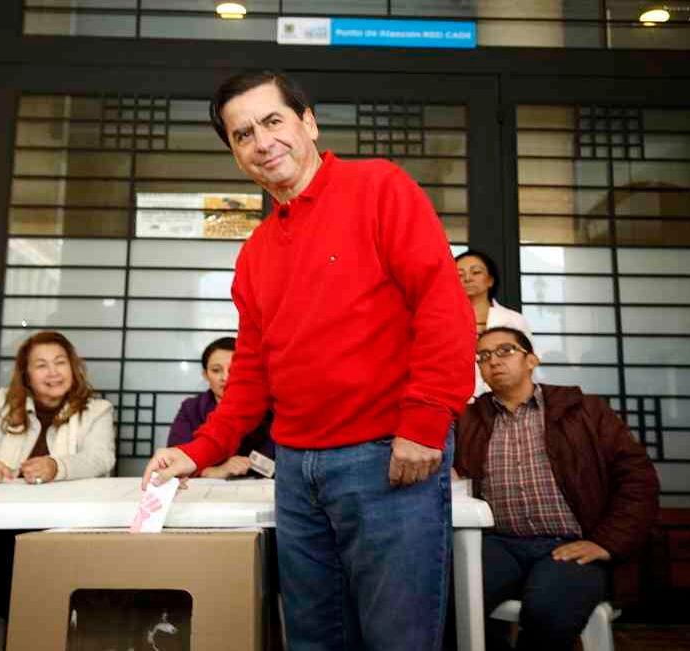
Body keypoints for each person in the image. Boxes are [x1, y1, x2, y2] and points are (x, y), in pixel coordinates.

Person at [142, 70, 475, 650]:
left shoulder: (380, 187)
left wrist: (425, 421)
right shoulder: (254, 254)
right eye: (242, 135)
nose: (262, 142)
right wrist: (196, 451)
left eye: (273, 121)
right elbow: (250, 375)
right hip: (296, 471)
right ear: (235, 154)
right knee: (314, 639)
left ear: (308, 123)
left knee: (399, 639)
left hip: (388, 455)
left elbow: (442, 306)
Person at [454, 326, 659, 651]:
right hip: (498, 543)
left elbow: (638, 479)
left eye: (505, 351)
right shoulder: (470, 420)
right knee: (448, 599)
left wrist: (605, 542)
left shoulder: (584, 411)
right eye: (483, 356)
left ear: (531, 360)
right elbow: (453, 473)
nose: (493, 361)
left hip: (571, 543)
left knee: (549, 611)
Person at [0, 330, 116, 618]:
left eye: (60, 362)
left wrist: (57, 466)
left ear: (73, 368)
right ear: (26, 374)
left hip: (66, 525)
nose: (53, 372)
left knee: (54, 572)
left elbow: (101, 459)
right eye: (41, 365)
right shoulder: (1, 403)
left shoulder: (97, 410)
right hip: (2, 525)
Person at [167, 336, 273, 479]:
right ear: (205, 374)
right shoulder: (191, 408)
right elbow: (176, 458)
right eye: (216, 370)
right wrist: (216, 471)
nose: (225, 377)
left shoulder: (267, 409)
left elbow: (280, 461)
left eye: (234, 370)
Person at [455, 249, 533, 397]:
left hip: (504, 399)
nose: (467, 278)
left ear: (490, 280)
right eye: (459, 275)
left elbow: (527, 363)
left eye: (476, 272)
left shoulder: (514, 319)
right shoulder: (441, 320)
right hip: (457, 399)